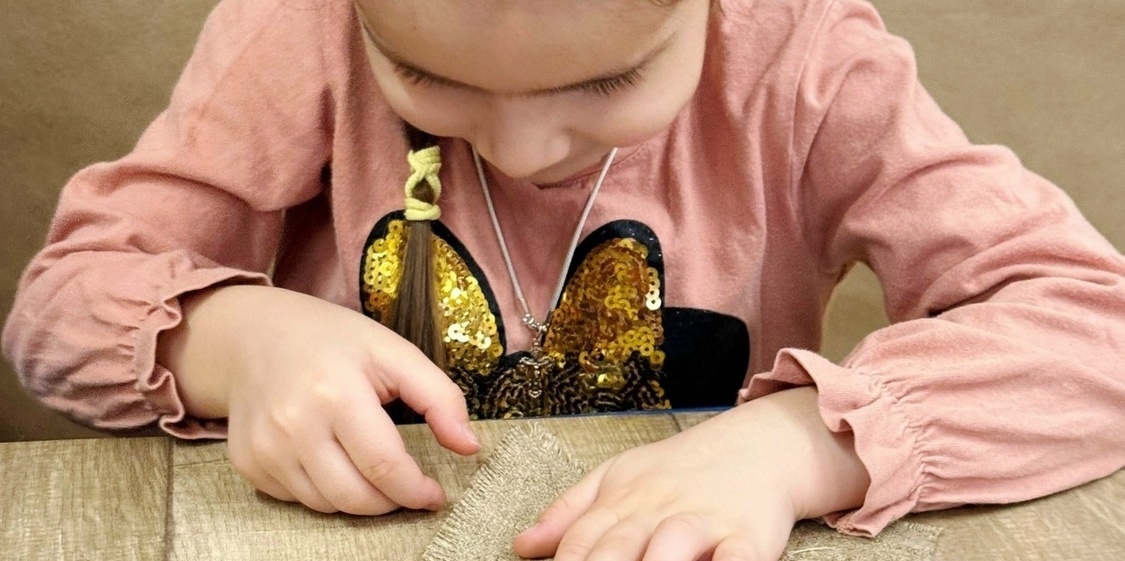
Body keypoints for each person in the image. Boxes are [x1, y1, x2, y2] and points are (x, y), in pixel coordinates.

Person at [4, 0, 1124, 558]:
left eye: (607, 82)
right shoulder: (301, 29)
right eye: (426, 76)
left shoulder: (803, 59)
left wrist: (805, 445)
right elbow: (58, 309)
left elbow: (1093, 328)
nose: (523, 148)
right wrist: (231, 338)